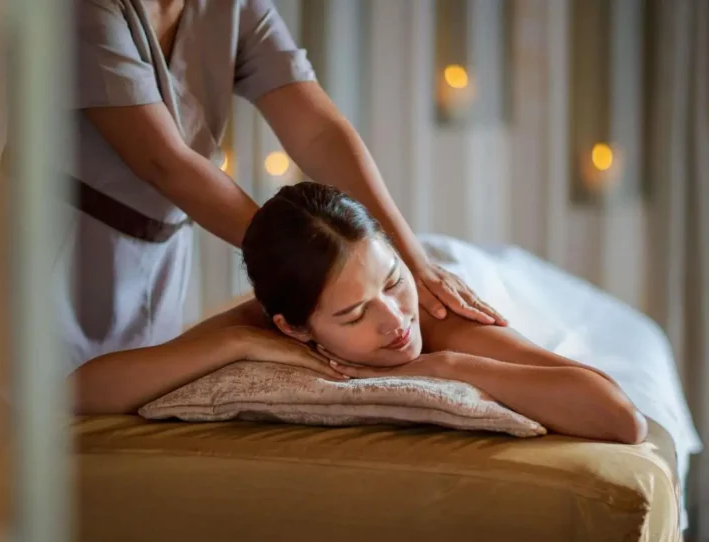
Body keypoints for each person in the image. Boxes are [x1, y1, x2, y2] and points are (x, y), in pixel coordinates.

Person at [57, 0, 505, 376]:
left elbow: (318, 133)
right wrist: (317, 264)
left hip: (162, 256)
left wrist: (409, 259)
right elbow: (164, 162)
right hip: (60, 249)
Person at [74, 182, 648, 445]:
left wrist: (453, 365)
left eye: (390, 287)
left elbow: (622, 418)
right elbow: (80, 391)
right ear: (292, 328)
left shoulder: (429, 310)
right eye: (352, 316)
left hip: (477, 275)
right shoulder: (268, 317)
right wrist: (231, 345)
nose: (394, 323)